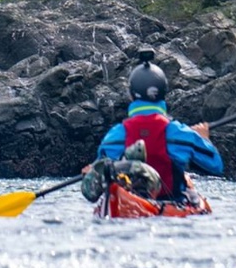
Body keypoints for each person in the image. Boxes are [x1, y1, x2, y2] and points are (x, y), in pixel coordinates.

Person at [83, 48, 223, 204]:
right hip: (172, 203)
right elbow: (216, 165)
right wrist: (204, 139)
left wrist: (92, 170)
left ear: (131, 95)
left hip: (130, 205)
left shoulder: (115, 135)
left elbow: (100, 170)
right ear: (164, 93)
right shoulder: (181, 133)